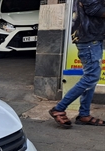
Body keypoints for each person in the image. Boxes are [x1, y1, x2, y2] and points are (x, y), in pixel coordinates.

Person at [49, 0, 105, 128]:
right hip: (89, 40)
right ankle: (59, 108)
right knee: (91, 77)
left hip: (93, 38)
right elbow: (94, 9)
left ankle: (84, 115)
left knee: (91, 78)